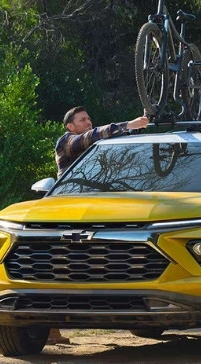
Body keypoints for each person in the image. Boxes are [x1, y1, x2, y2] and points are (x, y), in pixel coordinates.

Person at [47, 106, 149, 345]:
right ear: (70, 126)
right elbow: (92, 135)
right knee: (59, 268)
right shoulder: (66, 142)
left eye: (89, 119)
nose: (88, 123)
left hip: (94, 212)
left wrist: (142, 124)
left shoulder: (96, 150)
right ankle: (48, 329)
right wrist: (128, 124)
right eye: (82, 120)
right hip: (68, 213)